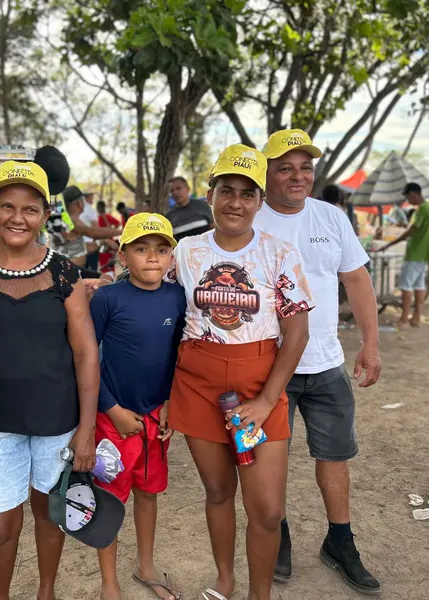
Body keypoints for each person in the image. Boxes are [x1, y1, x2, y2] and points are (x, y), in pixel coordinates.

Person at [0, 160, 98, 600]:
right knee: (0, 526)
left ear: (45, 214)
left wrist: (86, 429)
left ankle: (45, 592)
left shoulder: (65, 274)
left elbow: (86, 352)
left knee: (50, 514)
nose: (18, 217)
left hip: (56, 421)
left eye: (31, 209)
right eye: (8, 206)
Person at [168, 144, 312, 600]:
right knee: (217, 490)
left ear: (259, 201)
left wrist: (268, 399)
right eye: (226, 190)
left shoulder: (280, 253)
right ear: (210, 194)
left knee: (267, 510)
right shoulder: (185, 252)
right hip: (198, 384)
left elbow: (297, 334)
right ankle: (225, 580)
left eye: (247, 194)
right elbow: (154, 305)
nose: (235, 202)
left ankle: (260, 594)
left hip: (259, 388)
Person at [254, 129, 382, 595]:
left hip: (327, 362)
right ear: (266, 173)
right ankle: (278, 534)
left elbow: (357, 279)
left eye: (305, 167)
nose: (297, 176)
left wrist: (370, 343)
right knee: (272, 461)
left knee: (334, 455)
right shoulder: (252, 218)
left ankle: (340, 541)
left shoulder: (332, 217)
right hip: (270, 367)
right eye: (285, 167)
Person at [90, 213, 185, 600]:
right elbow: (86, 358)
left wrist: (169, 404)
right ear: (123, 253)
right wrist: (110, 408)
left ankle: (146, 566)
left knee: (148, 493)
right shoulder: (108, 298)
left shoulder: (177, 297)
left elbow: (181, 354)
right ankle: (108, 582)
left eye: (161, 249)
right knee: (109, 499)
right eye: (141, 249)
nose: (152, 258)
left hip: (155, 419)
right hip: (111, 419)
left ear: (171, 256)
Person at [380, 182, 429, 328]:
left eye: (408, 197)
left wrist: (390, 244)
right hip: (424, 253)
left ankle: (404, 318)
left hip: (415, 252)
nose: (407, 201)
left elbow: (411, 230)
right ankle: (416, 317)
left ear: (414, 194)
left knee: (406, 285)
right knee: (419, 285)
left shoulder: (422, 210)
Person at [48, 187, 121, 277]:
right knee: (106, 280)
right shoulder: (69, 220)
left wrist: (102, 242)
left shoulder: (70, 219)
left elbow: (79, 247)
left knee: (105, 279)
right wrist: (123, 231)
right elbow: (93, 233)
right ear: (79, 203)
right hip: (65, 272)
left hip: (71, 269)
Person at [64, 186, 101, 271]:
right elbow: (94, 232)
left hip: (74, 263)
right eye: (92, 196)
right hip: (72, 269)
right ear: (79, 202)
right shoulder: (88, 211)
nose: (93, 198)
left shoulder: (68, 217)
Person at [166, 176, 214, 241]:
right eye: (172, 191)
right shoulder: (169, 216)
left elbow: (214, 230)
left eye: (178, 188)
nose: (175, 192)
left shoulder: (202, 206)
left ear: (188, 189)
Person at [95, 200, 120, 274]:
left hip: (107, 242)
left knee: (108, 263)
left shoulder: (100, 218)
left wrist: (111, 230)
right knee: (107, 263)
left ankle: (108, 279)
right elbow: (117, 224)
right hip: (104, 242)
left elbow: (117, 224)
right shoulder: (98, 218)